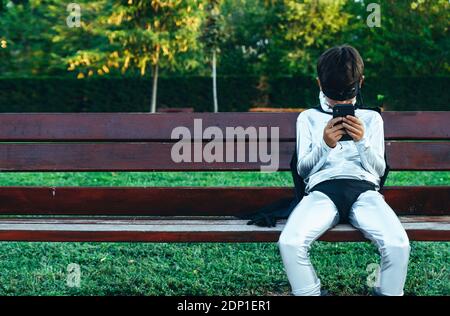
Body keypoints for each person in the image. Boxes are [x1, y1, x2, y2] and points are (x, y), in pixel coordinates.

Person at [277, 45, 410, 296]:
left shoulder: (372, 119)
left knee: (398, 245)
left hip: (364, 190)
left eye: (347, 95)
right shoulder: (308, 118)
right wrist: (325, 145)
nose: (340, 102)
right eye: (333, 95)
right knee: (290, 242)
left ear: (361, 82)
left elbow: (379, 171)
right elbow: (304, 172)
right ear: (319, 84)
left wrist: (363, 142)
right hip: (322, 191)